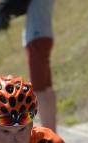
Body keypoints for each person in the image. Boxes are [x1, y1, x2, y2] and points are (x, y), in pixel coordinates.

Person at [24, 0, 56, 131]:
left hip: (36, 35)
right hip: (44, 33)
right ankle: (52, 131)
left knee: (38, 89)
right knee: (47, 88)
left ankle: (48, 133)